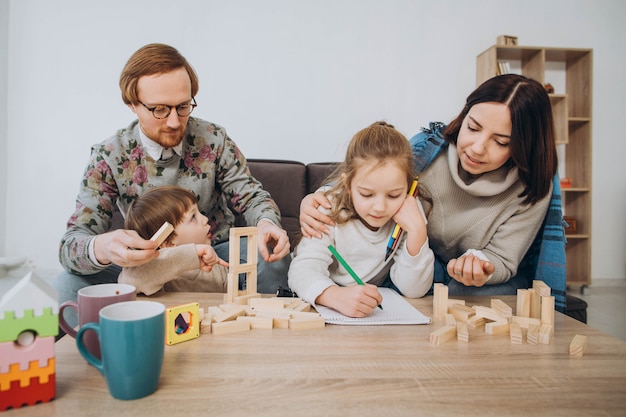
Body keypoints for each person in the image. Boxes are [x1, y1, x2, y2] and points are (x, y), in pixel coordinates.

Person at [55, 43, 291, 328]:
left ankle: (261, 337)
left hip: (217, 255)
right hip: (147, 264)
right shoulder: (109, 155)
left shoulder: (213, 139)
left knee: (271, 256)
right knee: (69, 283)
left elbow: (252, 197)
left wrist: (266, 223)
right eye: (159, 109)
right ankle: (97, 352)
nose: (174, 121)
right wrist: (102, 247)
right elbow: (72, 243)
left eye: (183, 106)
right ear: (132, 104)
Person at [299, 74, 567, 311]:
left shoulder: (532, 188)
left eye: (500, 142)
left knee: (469, 297)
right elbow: (368, 177)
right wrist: (317, 199)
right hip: (419, 268)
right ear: (463, 117)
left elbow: (505, 258)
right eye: (472, 128)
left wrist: (483, 265)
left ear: (524, 147)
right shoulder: (426, 151)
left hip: (441, 275)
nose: (476, 148)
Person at [288, 121, 434, 318]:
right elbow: (302, 269)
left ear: (408, 189)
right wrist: (334, 296)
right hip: (324, 305)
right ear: (347, 184)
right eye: (366, 194)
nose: (380, 207)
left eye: (393, 195)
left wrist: (418, 231)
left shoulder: (409, 212)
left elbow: (414, 290)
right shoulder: (326, 207)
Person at [119, 186, 230, 295]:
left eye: (199, 212)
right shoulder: (158, 276)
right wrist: (191, 253)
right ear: (169, 243)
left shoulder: (216, 266)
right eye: (193, 217)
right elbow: (130, 282)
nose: (205, 219)